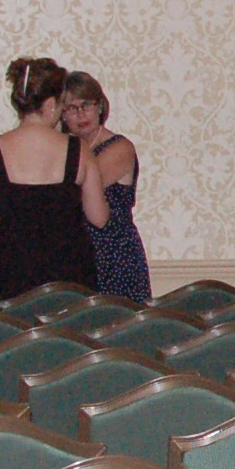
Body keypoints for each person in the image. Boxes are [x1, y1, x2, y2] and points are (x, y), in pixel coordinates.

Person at [0, 55, 99, 304]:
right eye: (62, 104)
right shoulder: (77, 149)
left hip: (15, 273)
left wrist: (17, 218)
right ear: (50, 104)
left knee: (17, 328)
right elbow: (98, 217)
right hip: (70, 273)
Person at [60, 71, 149, 304]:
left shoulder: (119, 147)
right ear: (61, 114)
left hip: (114, 254)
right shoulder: (64, 149)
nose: (81, 114)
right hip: (75, 255)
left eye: (87, 105)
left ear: (100, 106)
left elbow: (74, 193)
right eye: (71, 108)